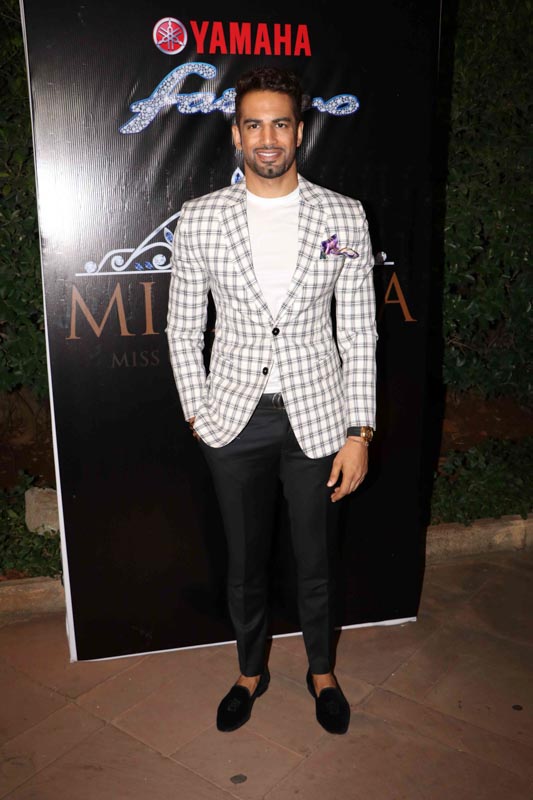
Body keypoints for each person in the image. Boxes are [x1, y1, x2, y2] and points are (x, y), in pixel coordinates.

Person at [166, 66, 377, 735]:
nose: (267, 138)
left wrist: (359, 432)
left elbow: (358, 330)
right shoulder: (201, 218)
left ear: (299, 132)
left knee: (317, 560)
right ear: (235, 135)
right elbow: (182, 327)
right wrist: (197, 411)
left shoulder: (343, 215)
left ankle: (322, 671)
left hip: (319, 417)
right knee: (244, 562)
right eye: (253, 124)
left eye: (279, 124)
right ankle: (249, 672)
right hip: (233, 419)